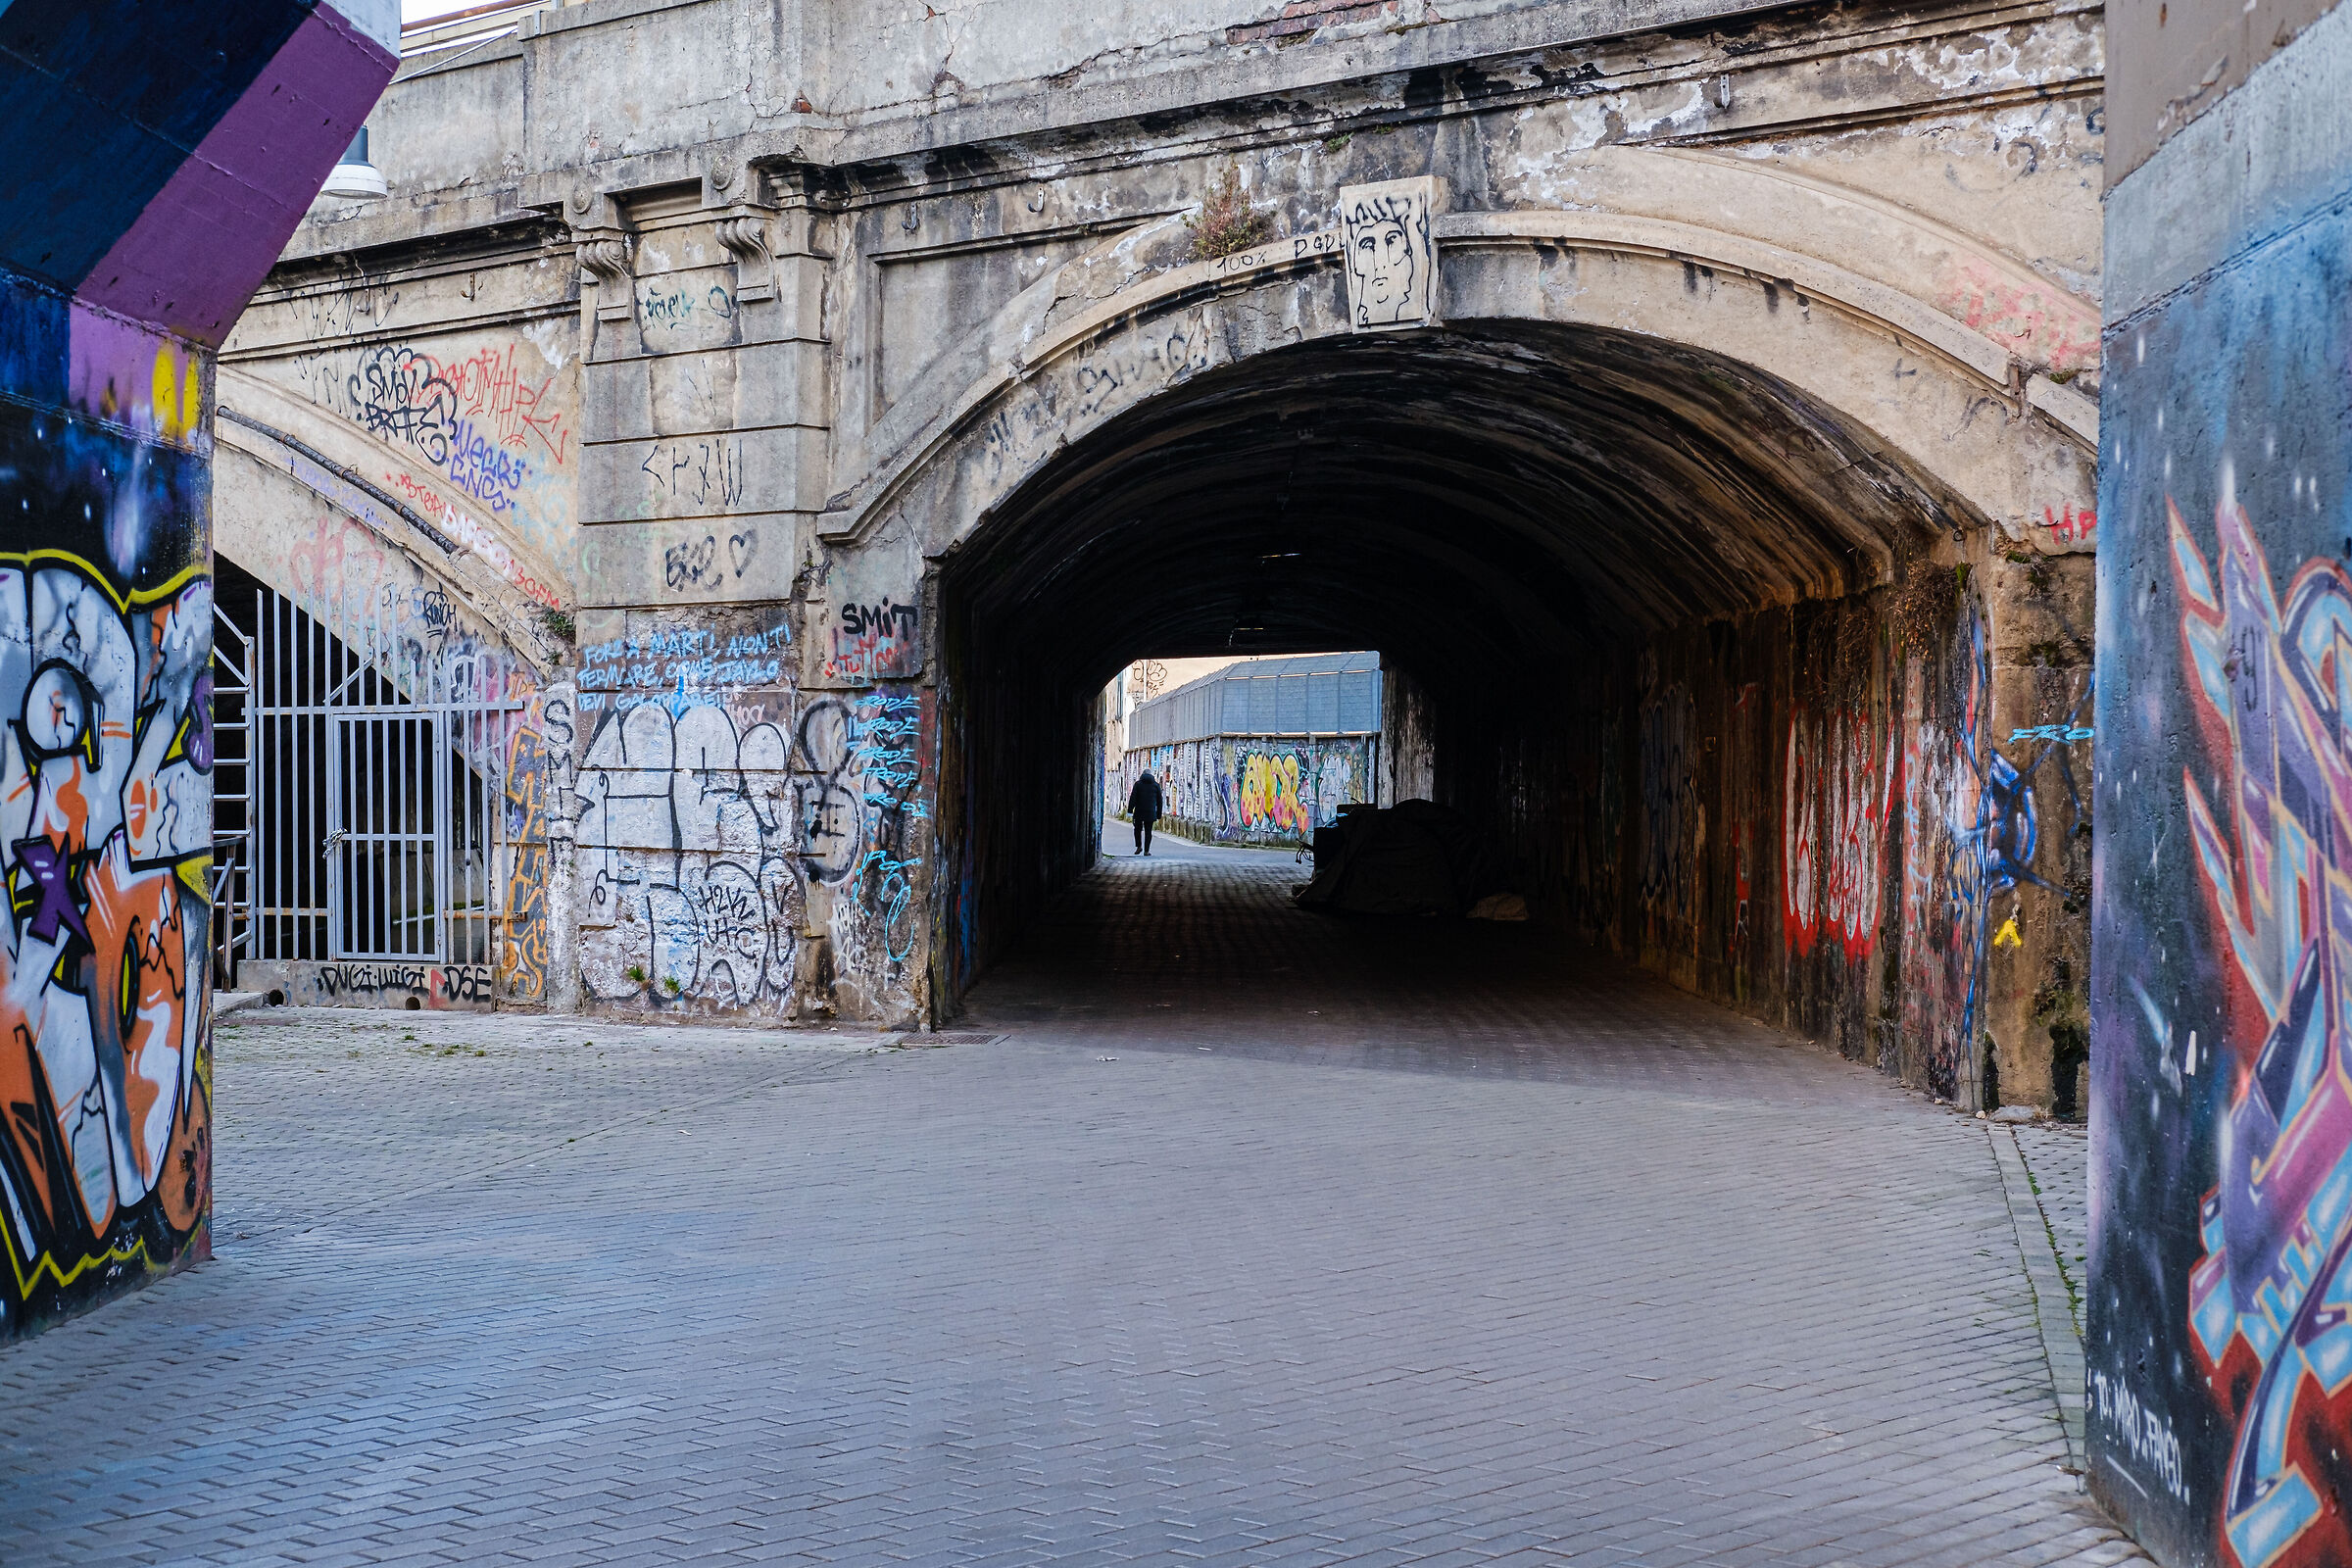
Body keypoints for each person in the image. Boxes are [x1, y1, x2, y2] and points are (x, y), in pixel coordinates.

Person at [1127, 770, 1163, 856]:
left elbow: (1133, 798)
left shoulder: (1138, 784)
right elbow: (1160, 801)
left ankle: (1138, 846)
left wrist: (1130, 811)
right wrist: (1159, 814)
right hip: (1150, 812)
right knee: (1148, 831)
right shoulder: (1156, 785)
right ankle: (1146, 851)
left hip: (1139, 811)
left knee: (1137, 830)